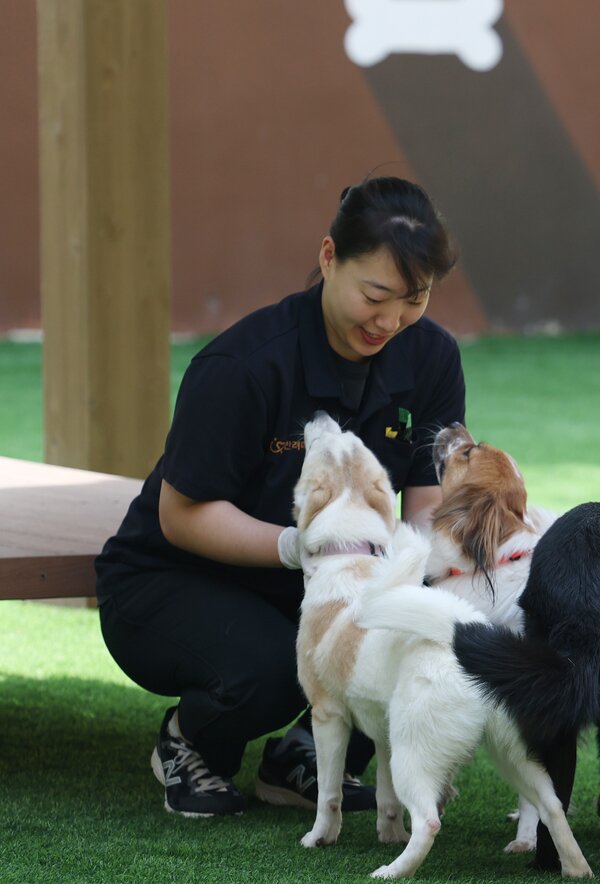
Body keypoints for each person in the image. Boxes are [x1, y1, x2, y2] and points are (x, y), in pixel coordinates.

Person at [95, 177, 466, 817]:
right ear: (328, 259)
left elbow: (428, 507)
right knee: (272, 667)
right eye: (374, 296)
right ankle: (189, 742)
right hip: (174, 577)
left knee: (417, 618)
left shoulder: (431, 357)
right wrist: (302, 546)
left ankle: (304, 756)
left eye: (415, 300)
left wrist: (430, 573)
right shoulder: (244, 365)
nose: (390, 321)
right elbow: (182, 517)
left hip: (320, 583)